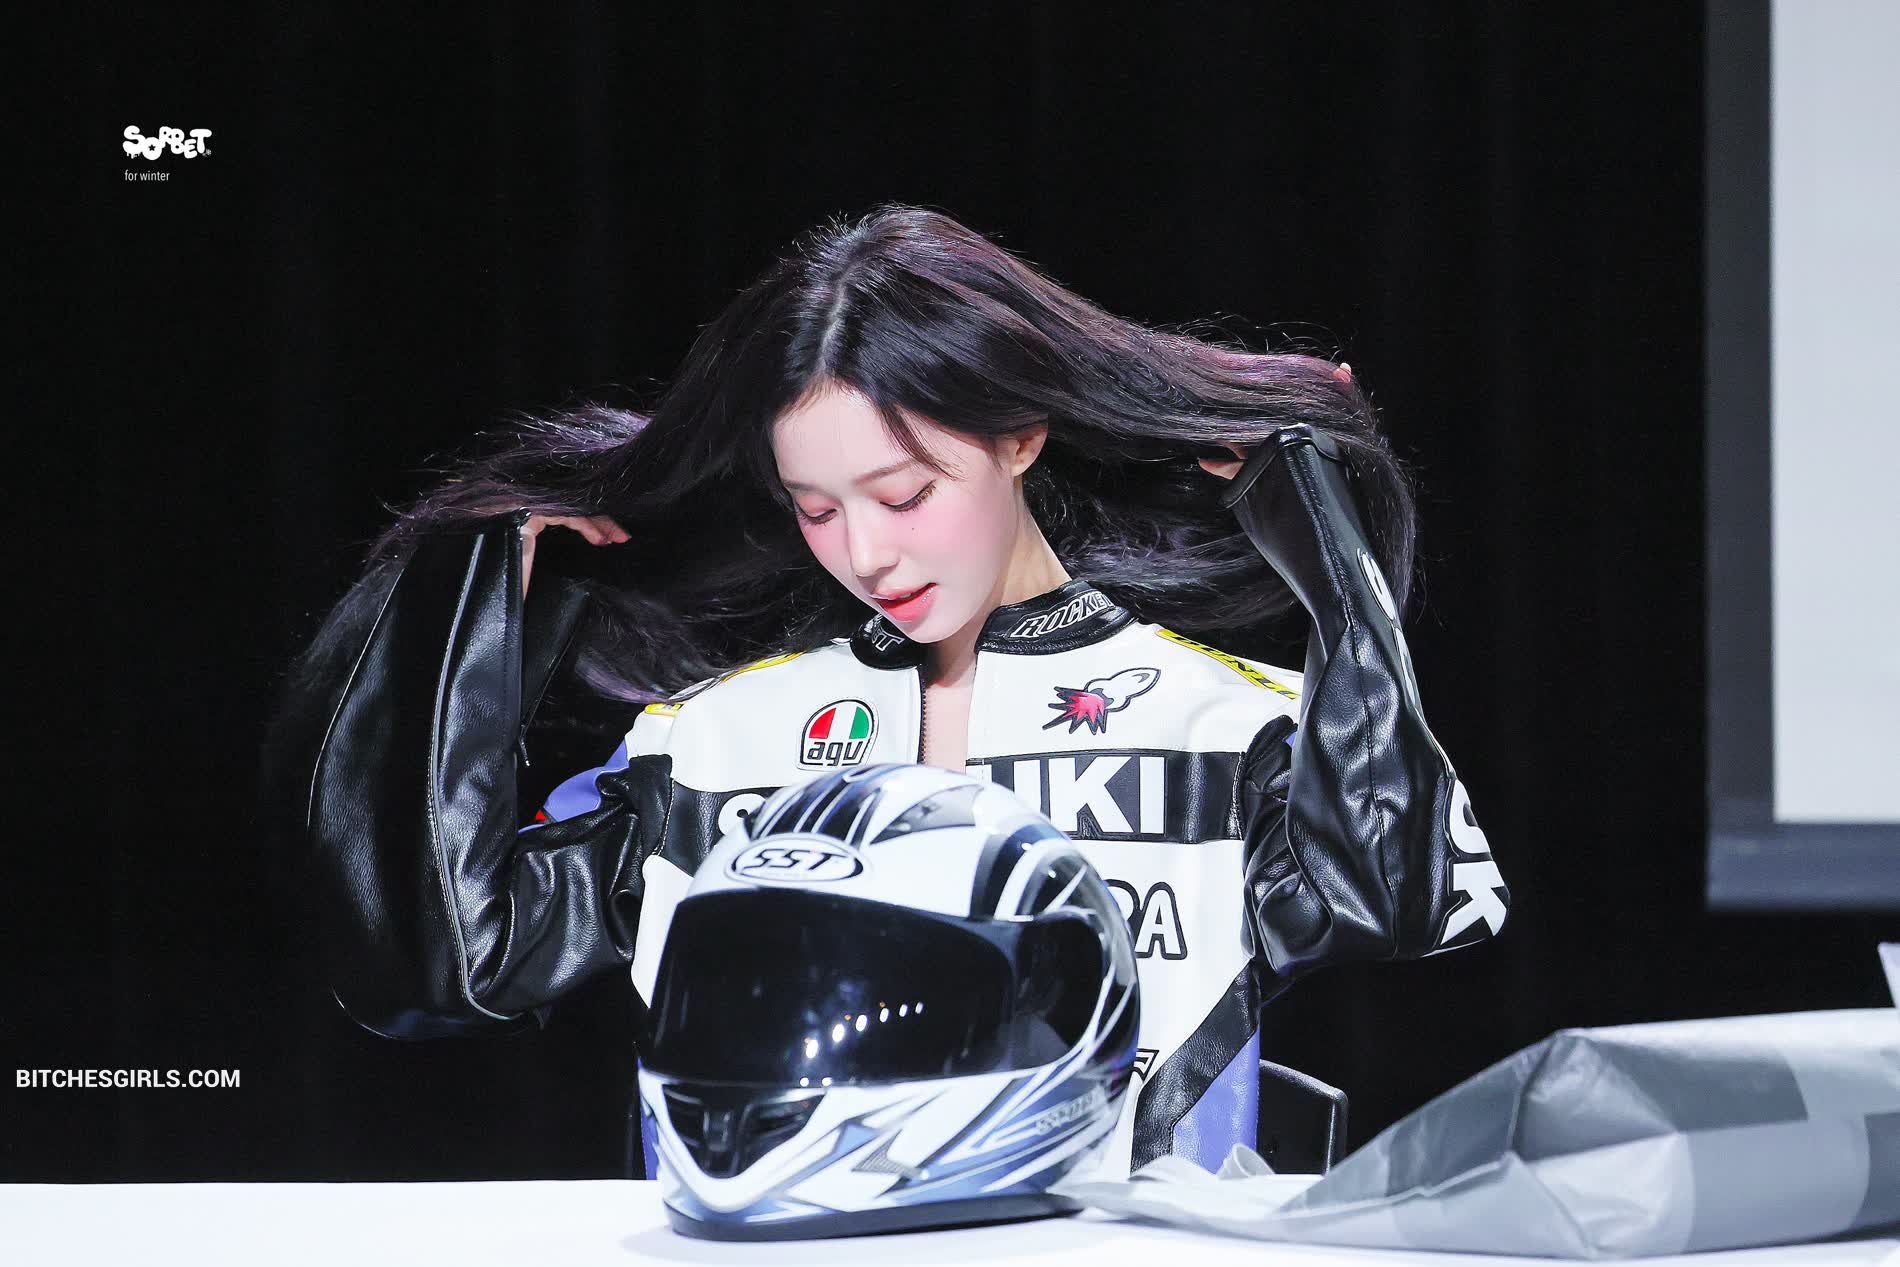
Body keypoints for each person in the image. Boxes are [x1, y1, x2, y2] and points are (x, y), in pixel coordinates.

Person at [265, 203, 1510, 1183]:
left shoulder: (1223, 723)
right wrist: (478, 609)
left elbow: (1396, 900)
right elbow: (439, 962)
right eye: (815, 507)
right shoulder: (720, 741)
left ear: (1020, 433)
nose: (864, 552)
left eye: (904, 494)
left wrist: (1330, 564)